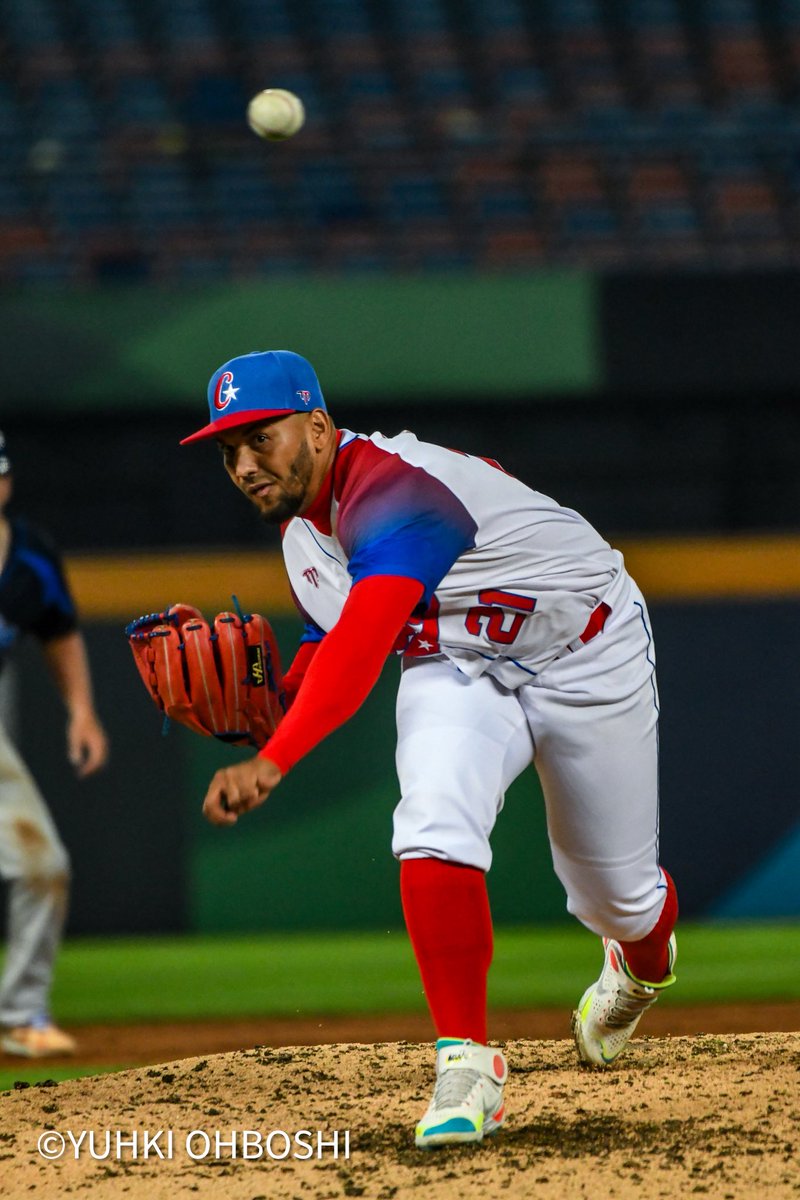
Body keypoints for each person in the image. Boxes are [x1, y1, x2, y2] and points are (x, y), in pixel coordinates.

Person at [182, 350, 679, 1147]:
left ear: (319, 427)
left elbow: (360, 649)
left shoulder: (395, 490)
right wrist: (272, 711)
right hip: (458, 661)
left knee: (618, 902)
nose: (243, 464)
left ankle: (640, 967)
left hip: (587, 649)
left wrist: (275, 758)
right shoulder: (301, 535)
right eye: (228, 449)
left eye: (260, 437)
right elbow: (326, 637)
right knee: (432, 819)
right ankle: (467, 1066)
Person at [0, 431, 108, 1057]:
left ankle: (21, 1015)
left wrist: (82, 713)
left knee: (43, 866)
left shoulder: (29, 555)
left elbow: (59, 631)